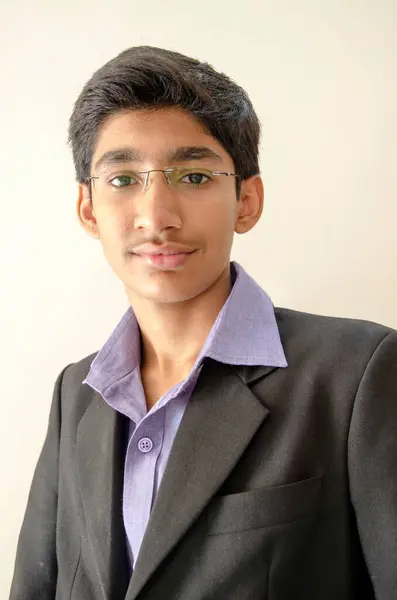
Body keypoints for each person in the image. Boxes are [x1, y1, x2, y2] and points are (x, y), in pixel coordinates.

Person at [9, 46, 397, 600]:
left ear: (246, 199)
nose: (156, 216)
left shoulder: (357, 374)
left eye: (193, 176)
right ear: (88, 209)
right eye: (122, 179)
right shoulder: (77, 393)